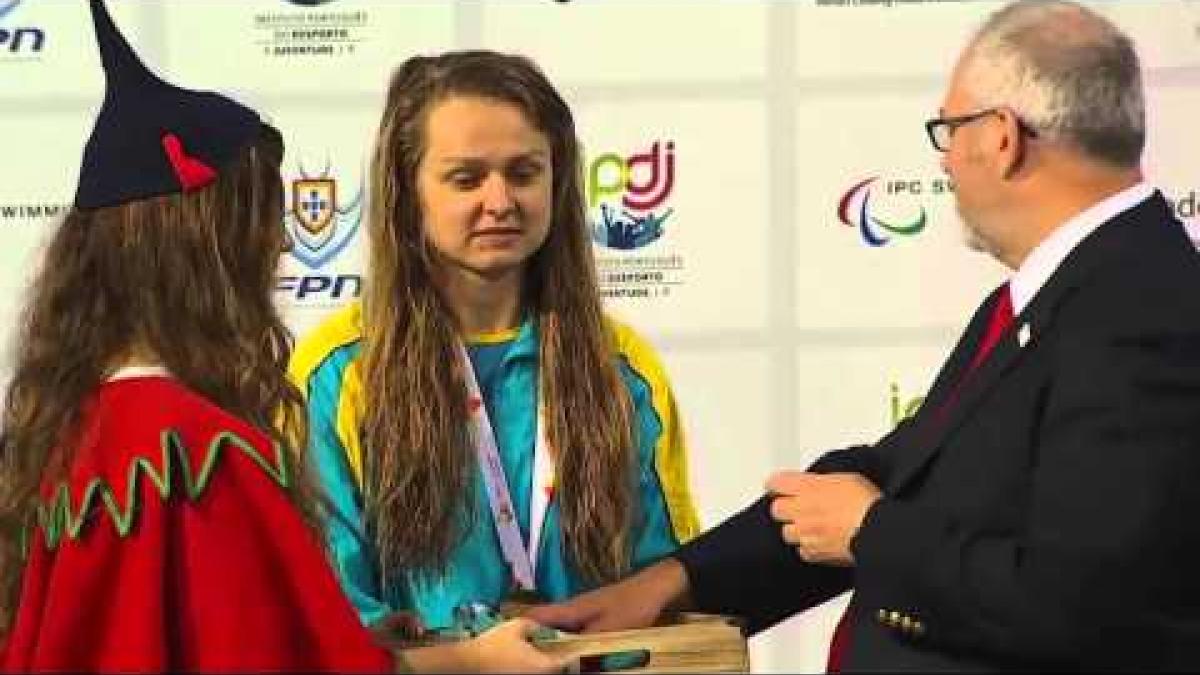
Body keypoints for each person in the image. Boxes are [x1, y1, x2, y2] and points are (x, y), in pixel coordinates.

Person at [528, 1, 1200, 671]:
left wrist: (871, 531)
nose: (944, 165)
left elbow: (1088, 604)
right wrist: (673, 581)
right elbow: (899, 472)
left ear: (1001, 137)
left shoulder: (1146, 312)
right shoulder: (1060, 294)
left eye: (948, 131)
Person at [0, 3, 564, 672]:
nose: (284, 244)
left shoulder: (70, 429)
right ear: (210, 251)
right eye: (267, 221)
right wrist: (470, 663)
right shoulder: (202, 450)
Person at [289, 50, 700, 638]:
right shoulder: (337, 372)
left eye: (524, 172)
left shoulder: (622, 368)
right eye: (466, 178)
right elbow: (331, 607)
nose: (500, 201)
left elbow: (664, 584)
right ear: (408, 191)